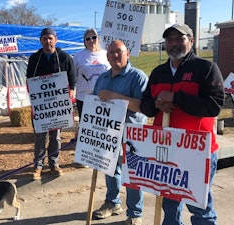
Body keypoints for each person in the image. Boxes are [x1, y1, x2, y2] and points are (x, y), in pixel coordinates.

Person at [140, 23, 224, 225]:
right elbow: (146, 106)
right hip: (166, 149)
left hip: (197, 150)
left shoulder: (206, 68)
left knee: (199, 205)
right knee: (169, 203)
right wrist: (158, 102)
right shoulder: (159, 72)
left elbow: (214, 106)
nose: (174, 44)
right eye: (169, 40)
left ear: (191, 41)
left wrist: (176, 97)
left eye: (180, 39)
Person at [92, 40, 147, 225]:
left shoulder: (138, 77)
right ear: (106, 56)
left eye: (119, 52)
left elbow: (142, 107)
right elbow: (95, 103)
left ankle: (135, 213)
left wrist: (115, 96)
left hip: (132, 134)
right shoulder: (102, 78)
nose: (115, 55)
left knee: (132, 174)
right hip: (107, 133)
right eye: (111, 52)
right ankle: (112, 203)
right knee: (109, 169)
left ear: (128, 54)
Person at [26, 27, 76, 180]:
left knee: (55, 136)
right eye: (44, 38)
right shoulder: (35, 58)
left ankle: (54, 163)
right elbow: (29, 79)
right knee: (40, 135)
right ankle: (38, 166)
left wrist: (71, 92)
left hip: (58, 104)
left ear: (56, 39)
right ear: (40, 41)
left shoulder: (65, 57)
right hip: (41, 105)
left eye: (50, 38)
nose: (47, 41)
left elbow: (72, 78)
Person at [73, 28, 110, 121]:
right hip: (84, 97)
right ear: (84, 42)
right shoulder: (78, 56)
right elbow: (73, 75)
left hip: (103, 97)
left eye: (94, 37)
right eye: (88, 38)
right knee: (86, 123)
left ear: (98, 39)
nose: (91, 40)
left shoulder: (106, 54)